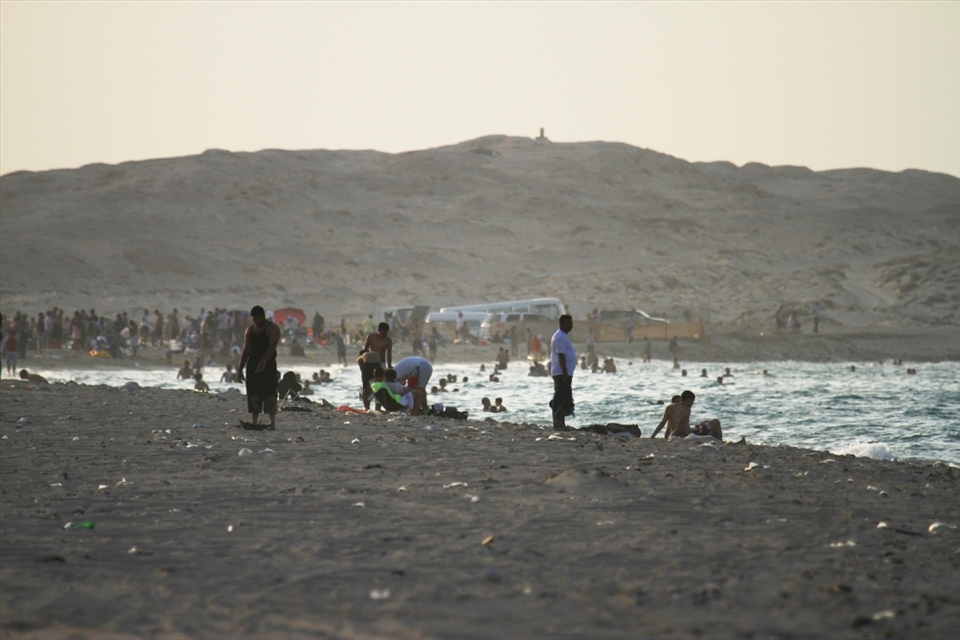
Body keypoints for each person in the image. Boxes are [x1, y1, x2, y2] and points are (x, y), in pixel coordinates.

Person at [236, 305, 281, 430]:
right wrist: (240, 370)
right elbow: (245, 351)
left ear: (263, 317)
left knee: (270, 393)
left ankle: (272, 423)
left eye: (258, 319)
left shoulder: (272, 328)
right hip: (252, 366)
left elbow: (272, 347)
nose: (256, 321)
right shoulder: (250, 330)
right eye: (254, 319)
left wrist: (264, 362)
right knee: (253, 394)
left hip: (268, 366)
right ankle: (254, 422)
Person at [549, 314, 576, 430]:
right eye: (567, 323)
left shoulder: (563, 336)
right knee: (559, 398)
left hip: (564, 372)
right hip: (561, 373)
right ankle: (557, 424)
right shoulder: (559, 337)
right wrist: (564, 372)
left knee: (564, 397)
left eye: (571, 323)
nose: (570, 325)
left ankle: (561, 424)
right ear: (561, 324)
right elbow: (561, 355)